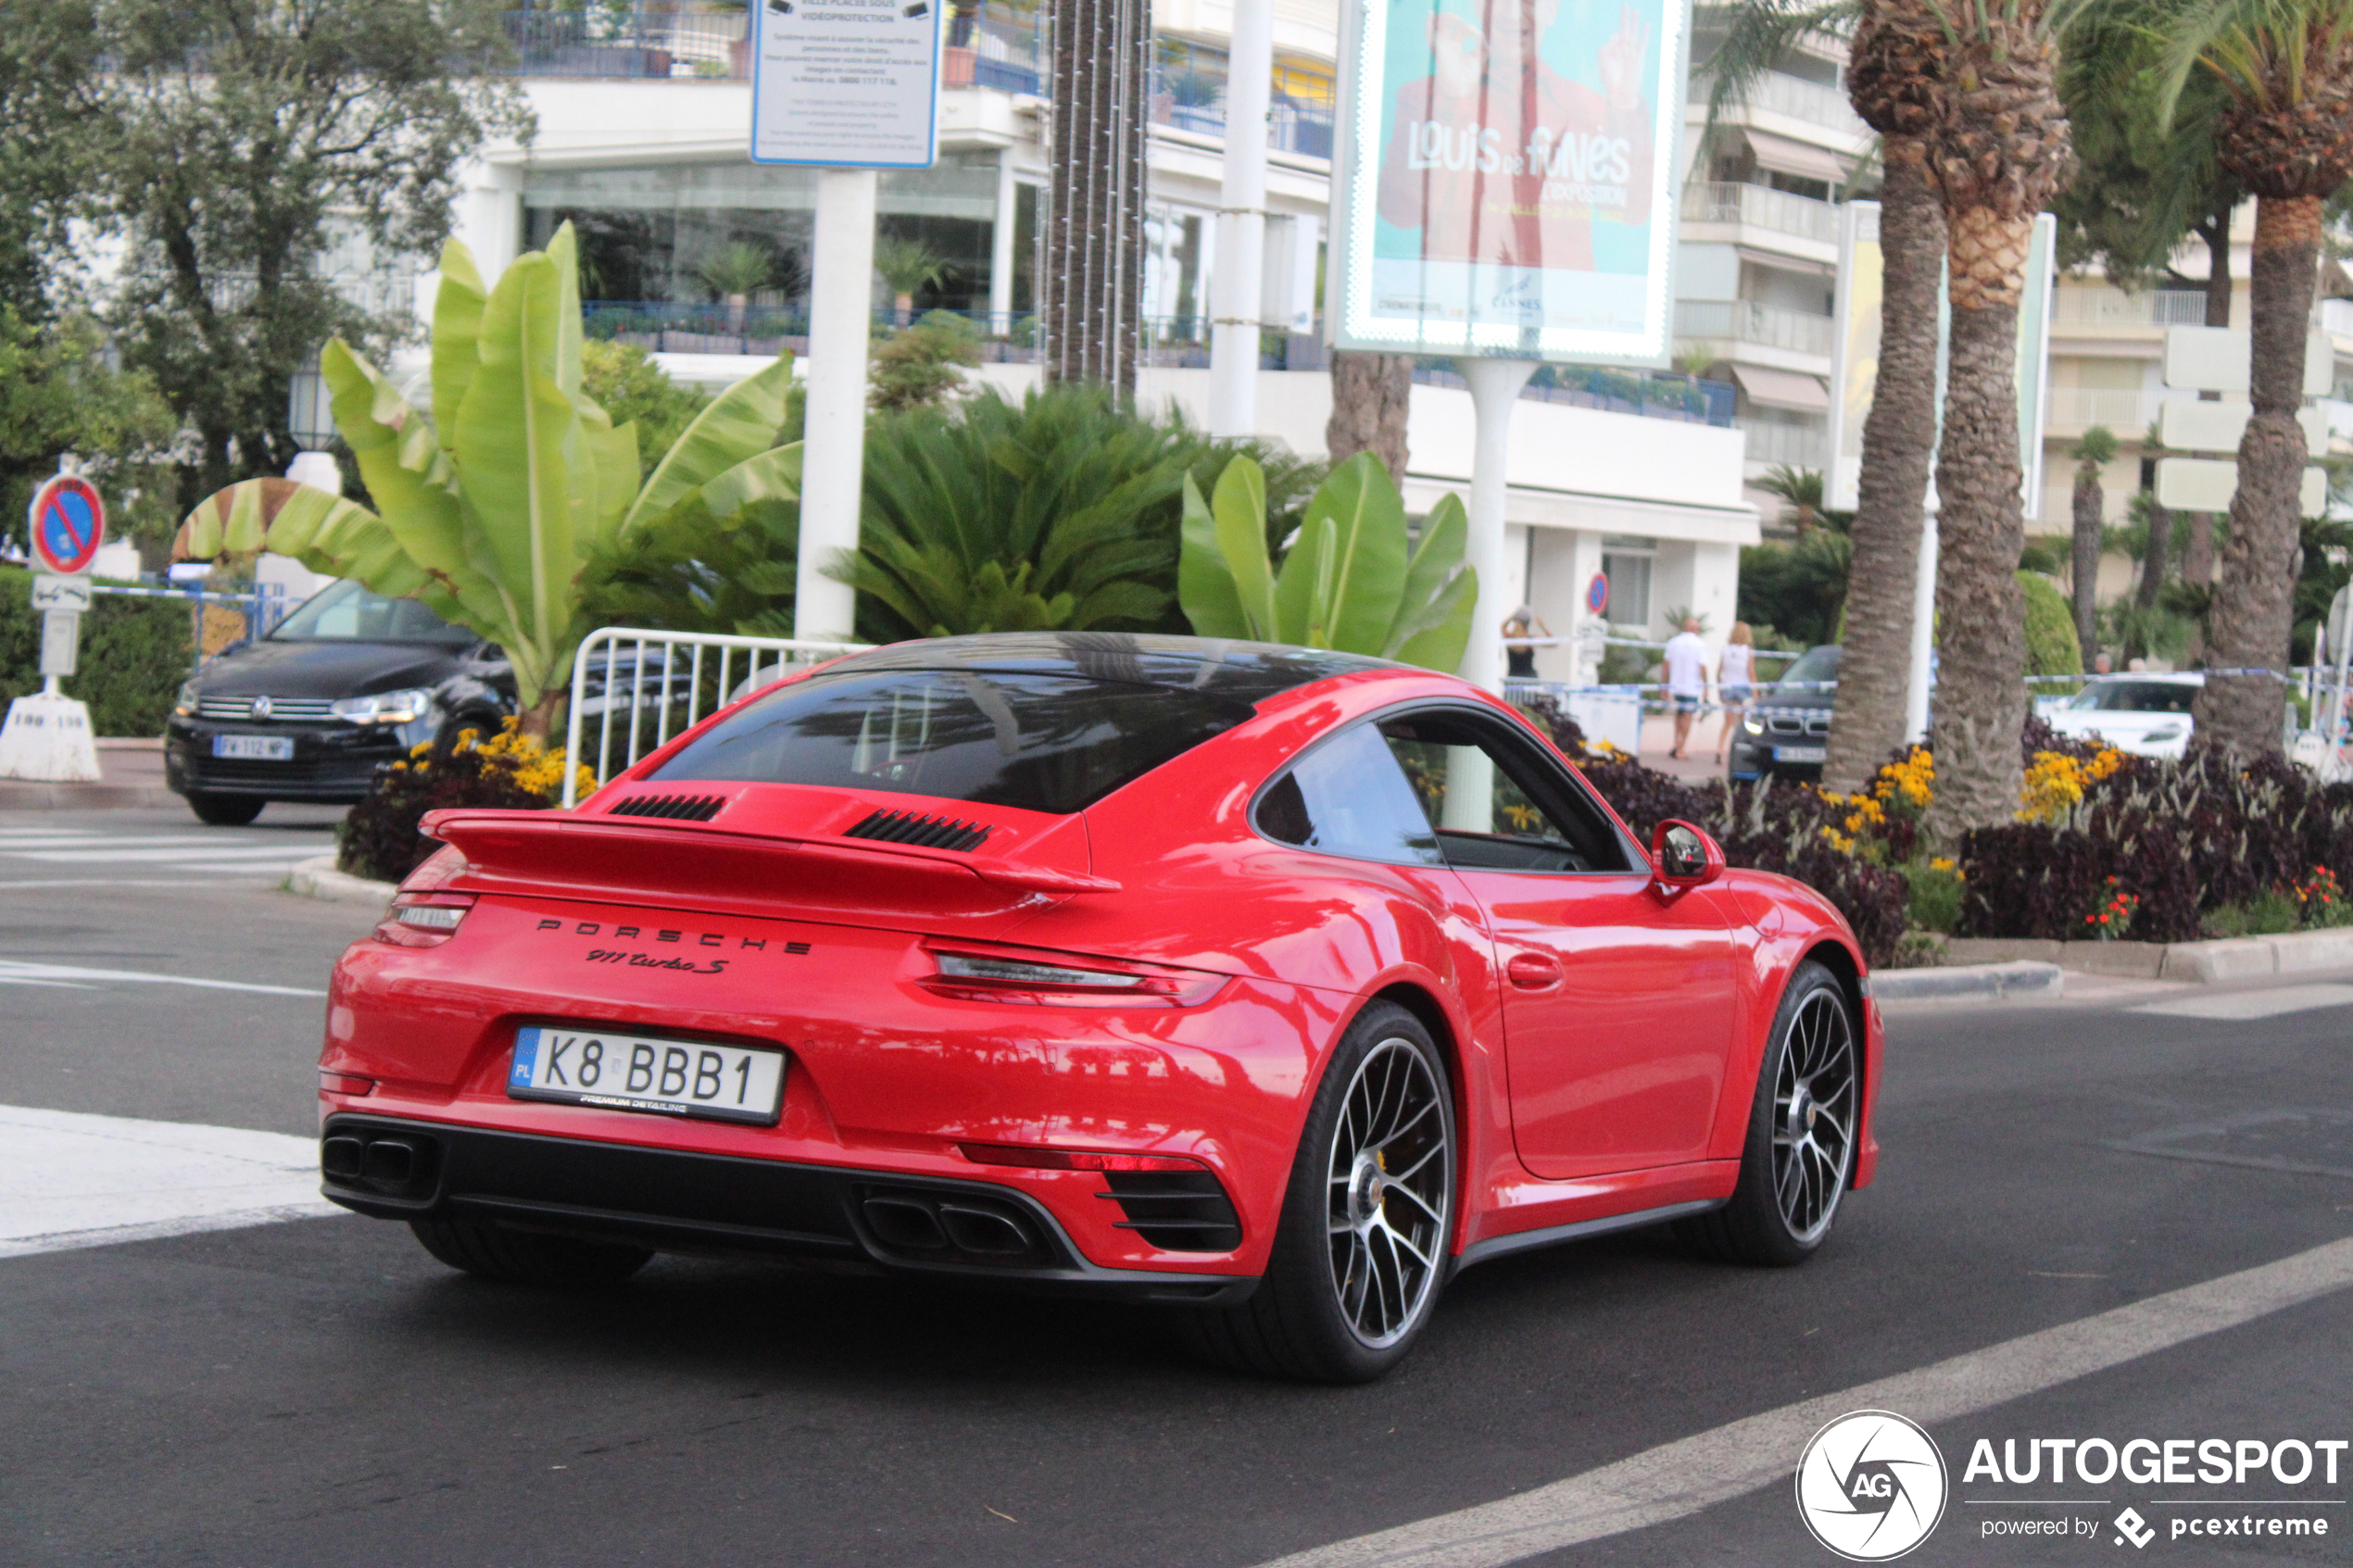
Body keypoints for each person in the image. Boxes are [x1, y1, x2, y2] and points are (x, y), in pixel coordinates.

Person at [1662, 616, 1708, 760]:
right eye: (1697, 628)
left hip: (1676, 685)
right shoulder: (1699, 644)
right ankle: (1681, 748)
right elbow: (1703, 668)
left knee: (1678, 714)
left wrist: (1664, 685)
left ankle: (1676, 744)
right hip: (1691, 686)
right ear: (1693, 629)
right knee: (1687, 716)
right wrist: (1706, 685)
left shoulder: (1673, 642)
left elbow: (1666, 666)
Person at [1713, 621, 1754, 764]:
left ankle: (1719, 748)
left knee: (1727, 721)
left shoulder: (1726, 650)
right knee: (1742, 723)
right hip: (1743, 687)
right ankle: (1739, 750)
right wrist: (1755, 693)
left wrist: (1720, 688)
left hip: (1728, 687)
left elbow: (1719, 671)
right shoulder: (1748, 651)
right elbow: (1751, 673)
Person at [1503, 605, 1552, 679]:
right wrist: (1542, 626)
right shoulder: (1513, 639)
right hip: (1520, 681)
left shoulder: (1528, 640)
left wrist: (1514, 616)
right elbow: (1503, 627)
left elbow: (1552, 643)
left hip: (1521, 681)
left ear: (1519, 624)